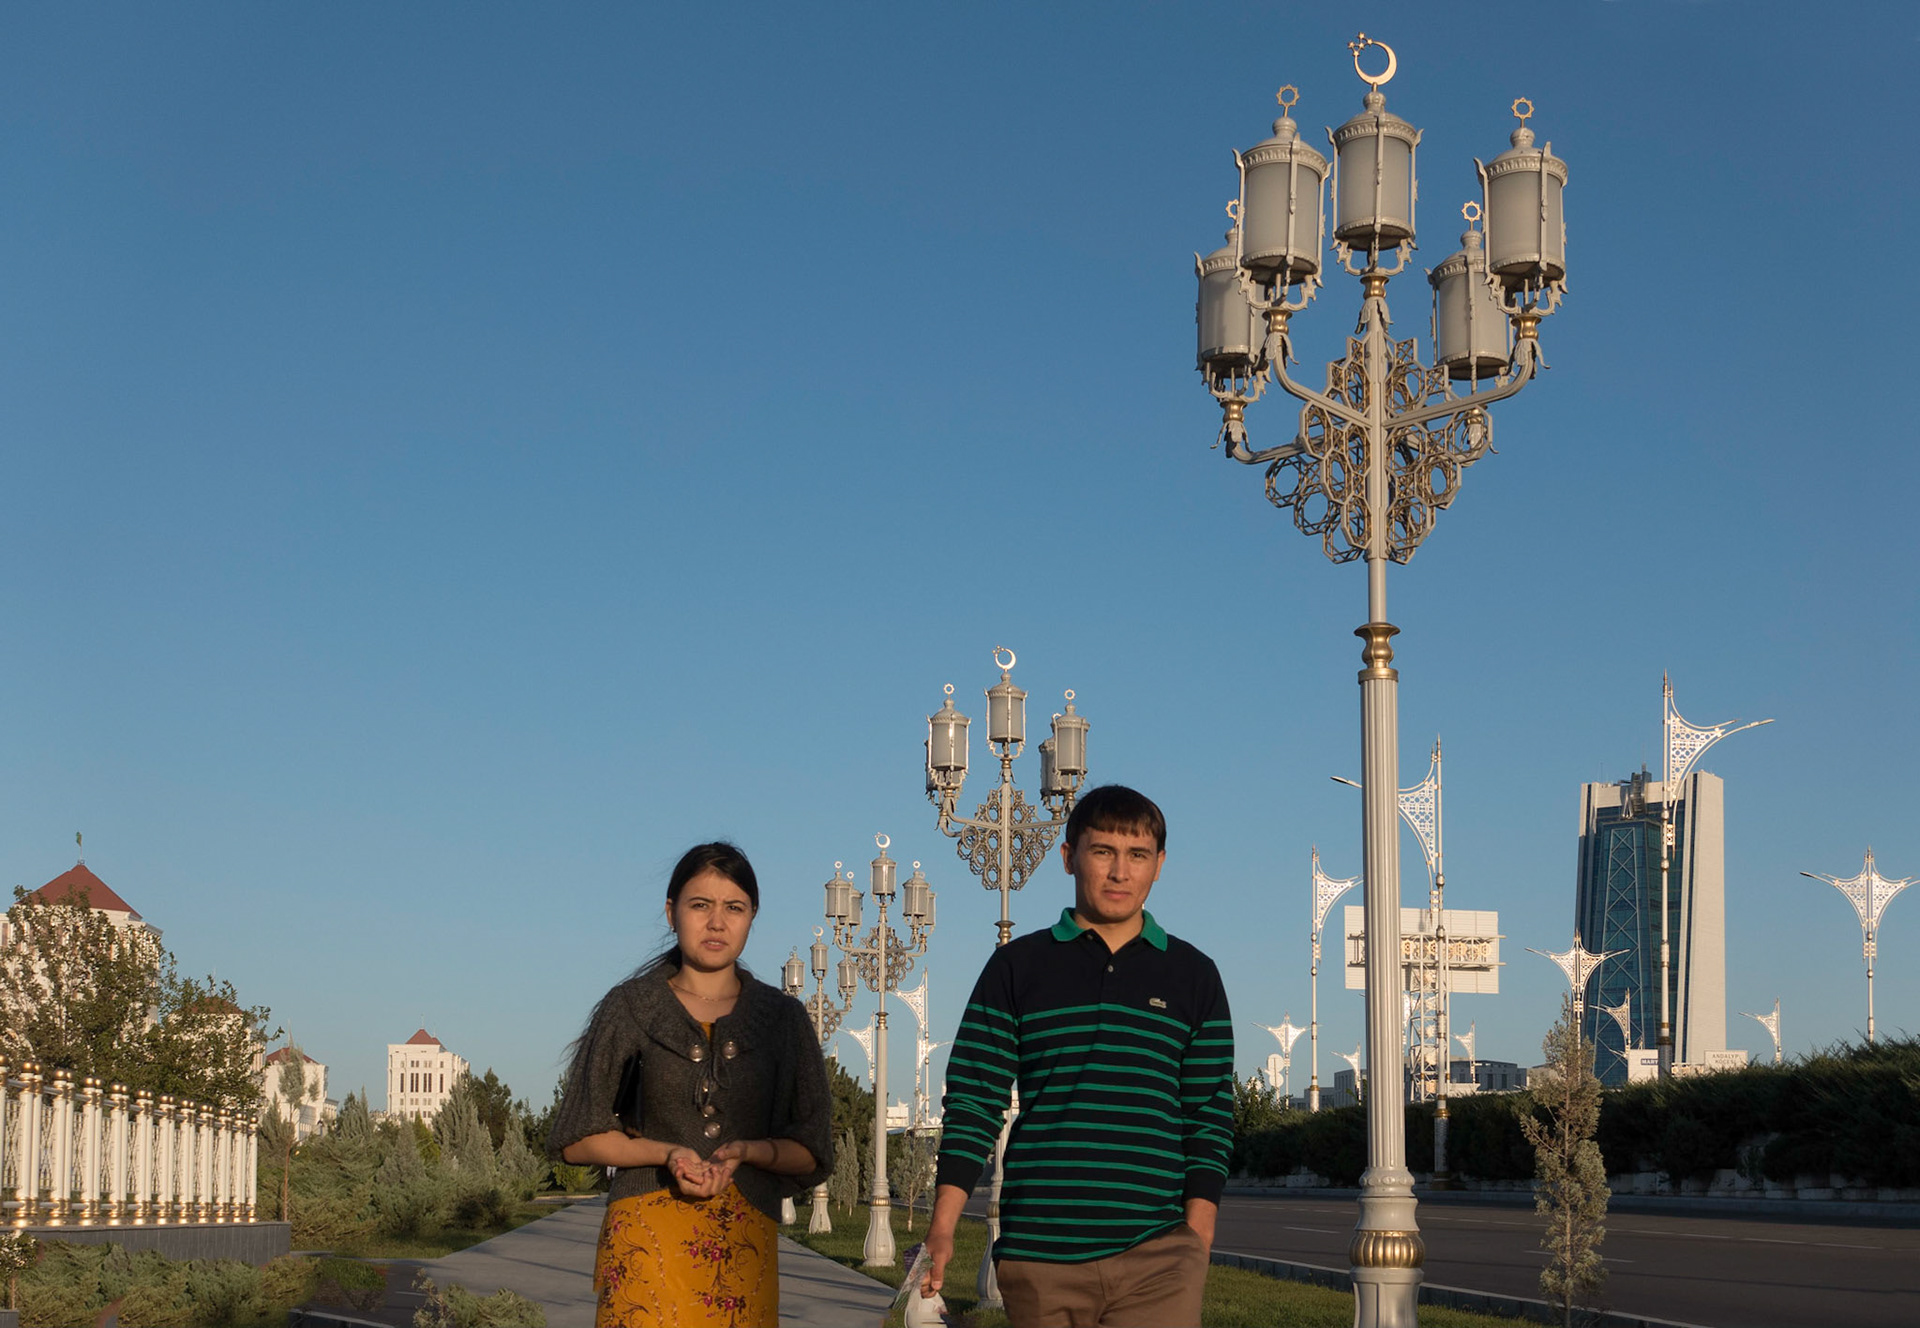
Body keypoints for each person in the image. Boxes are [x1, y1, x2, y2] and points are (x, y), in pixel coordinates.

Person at [920, 785, 1234, 1327]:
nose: (1120, 872)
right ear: (1069, 857)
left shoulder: (1193, 975)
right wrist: (943, 1225)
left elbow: (1208, 1111)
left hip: (1159, 1255)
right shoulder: (1018, 966)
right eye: (1103, 851)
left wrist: (1198, 1233)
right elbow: (975, 1098)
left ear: (1159, 865)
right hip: (1041, 1253)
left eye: (1137, 855)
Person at [549, 842, 833, 1327]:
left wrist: (748, 1151)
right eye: (700, 905)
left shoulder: (783, 1019)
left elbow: (813, 1151)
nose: (717, 922)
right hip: (645, 1245)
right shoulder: (630, 1007)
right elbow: (576, 1138)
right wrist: (667, 1153)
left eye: (734, 908)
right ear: (671, 912)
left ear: (752, 917)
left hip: (742, 1249)